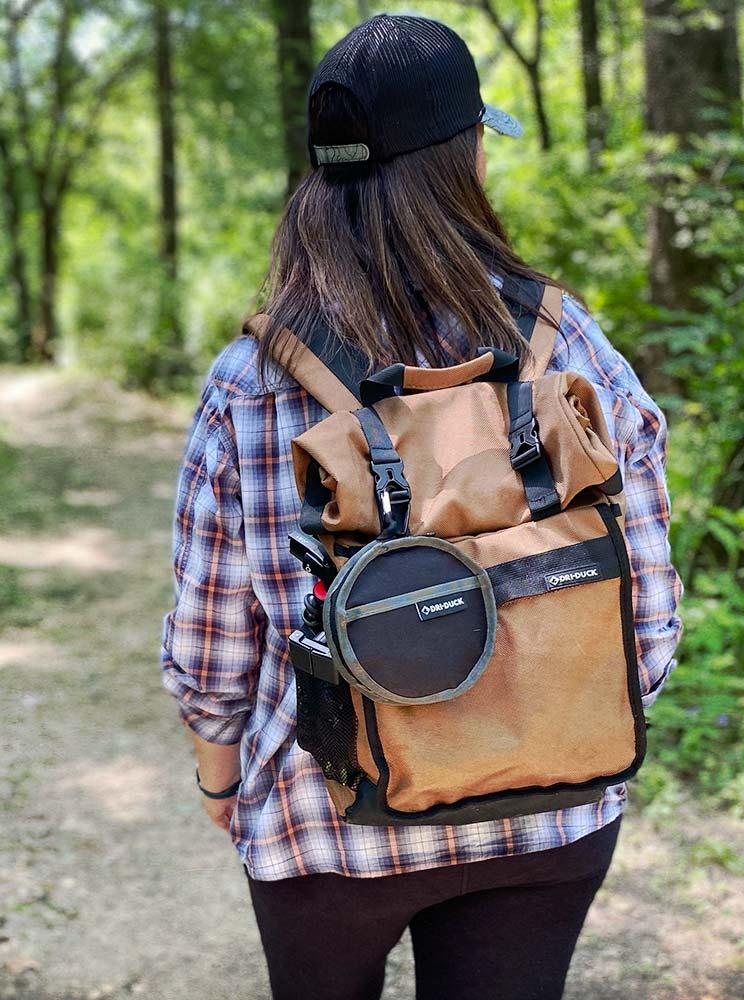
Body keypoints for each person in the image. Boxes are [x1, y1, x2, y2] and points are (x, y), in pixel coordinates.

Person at [160, 14, 681, 1000]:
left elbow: (210, 645)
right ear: (469, 160)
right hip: (549, 815)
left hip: (330, 821)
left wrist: (221, 778)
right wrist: (553, 728)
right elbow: (644, 624)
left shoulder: (253, 380)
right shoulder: (565, 348)